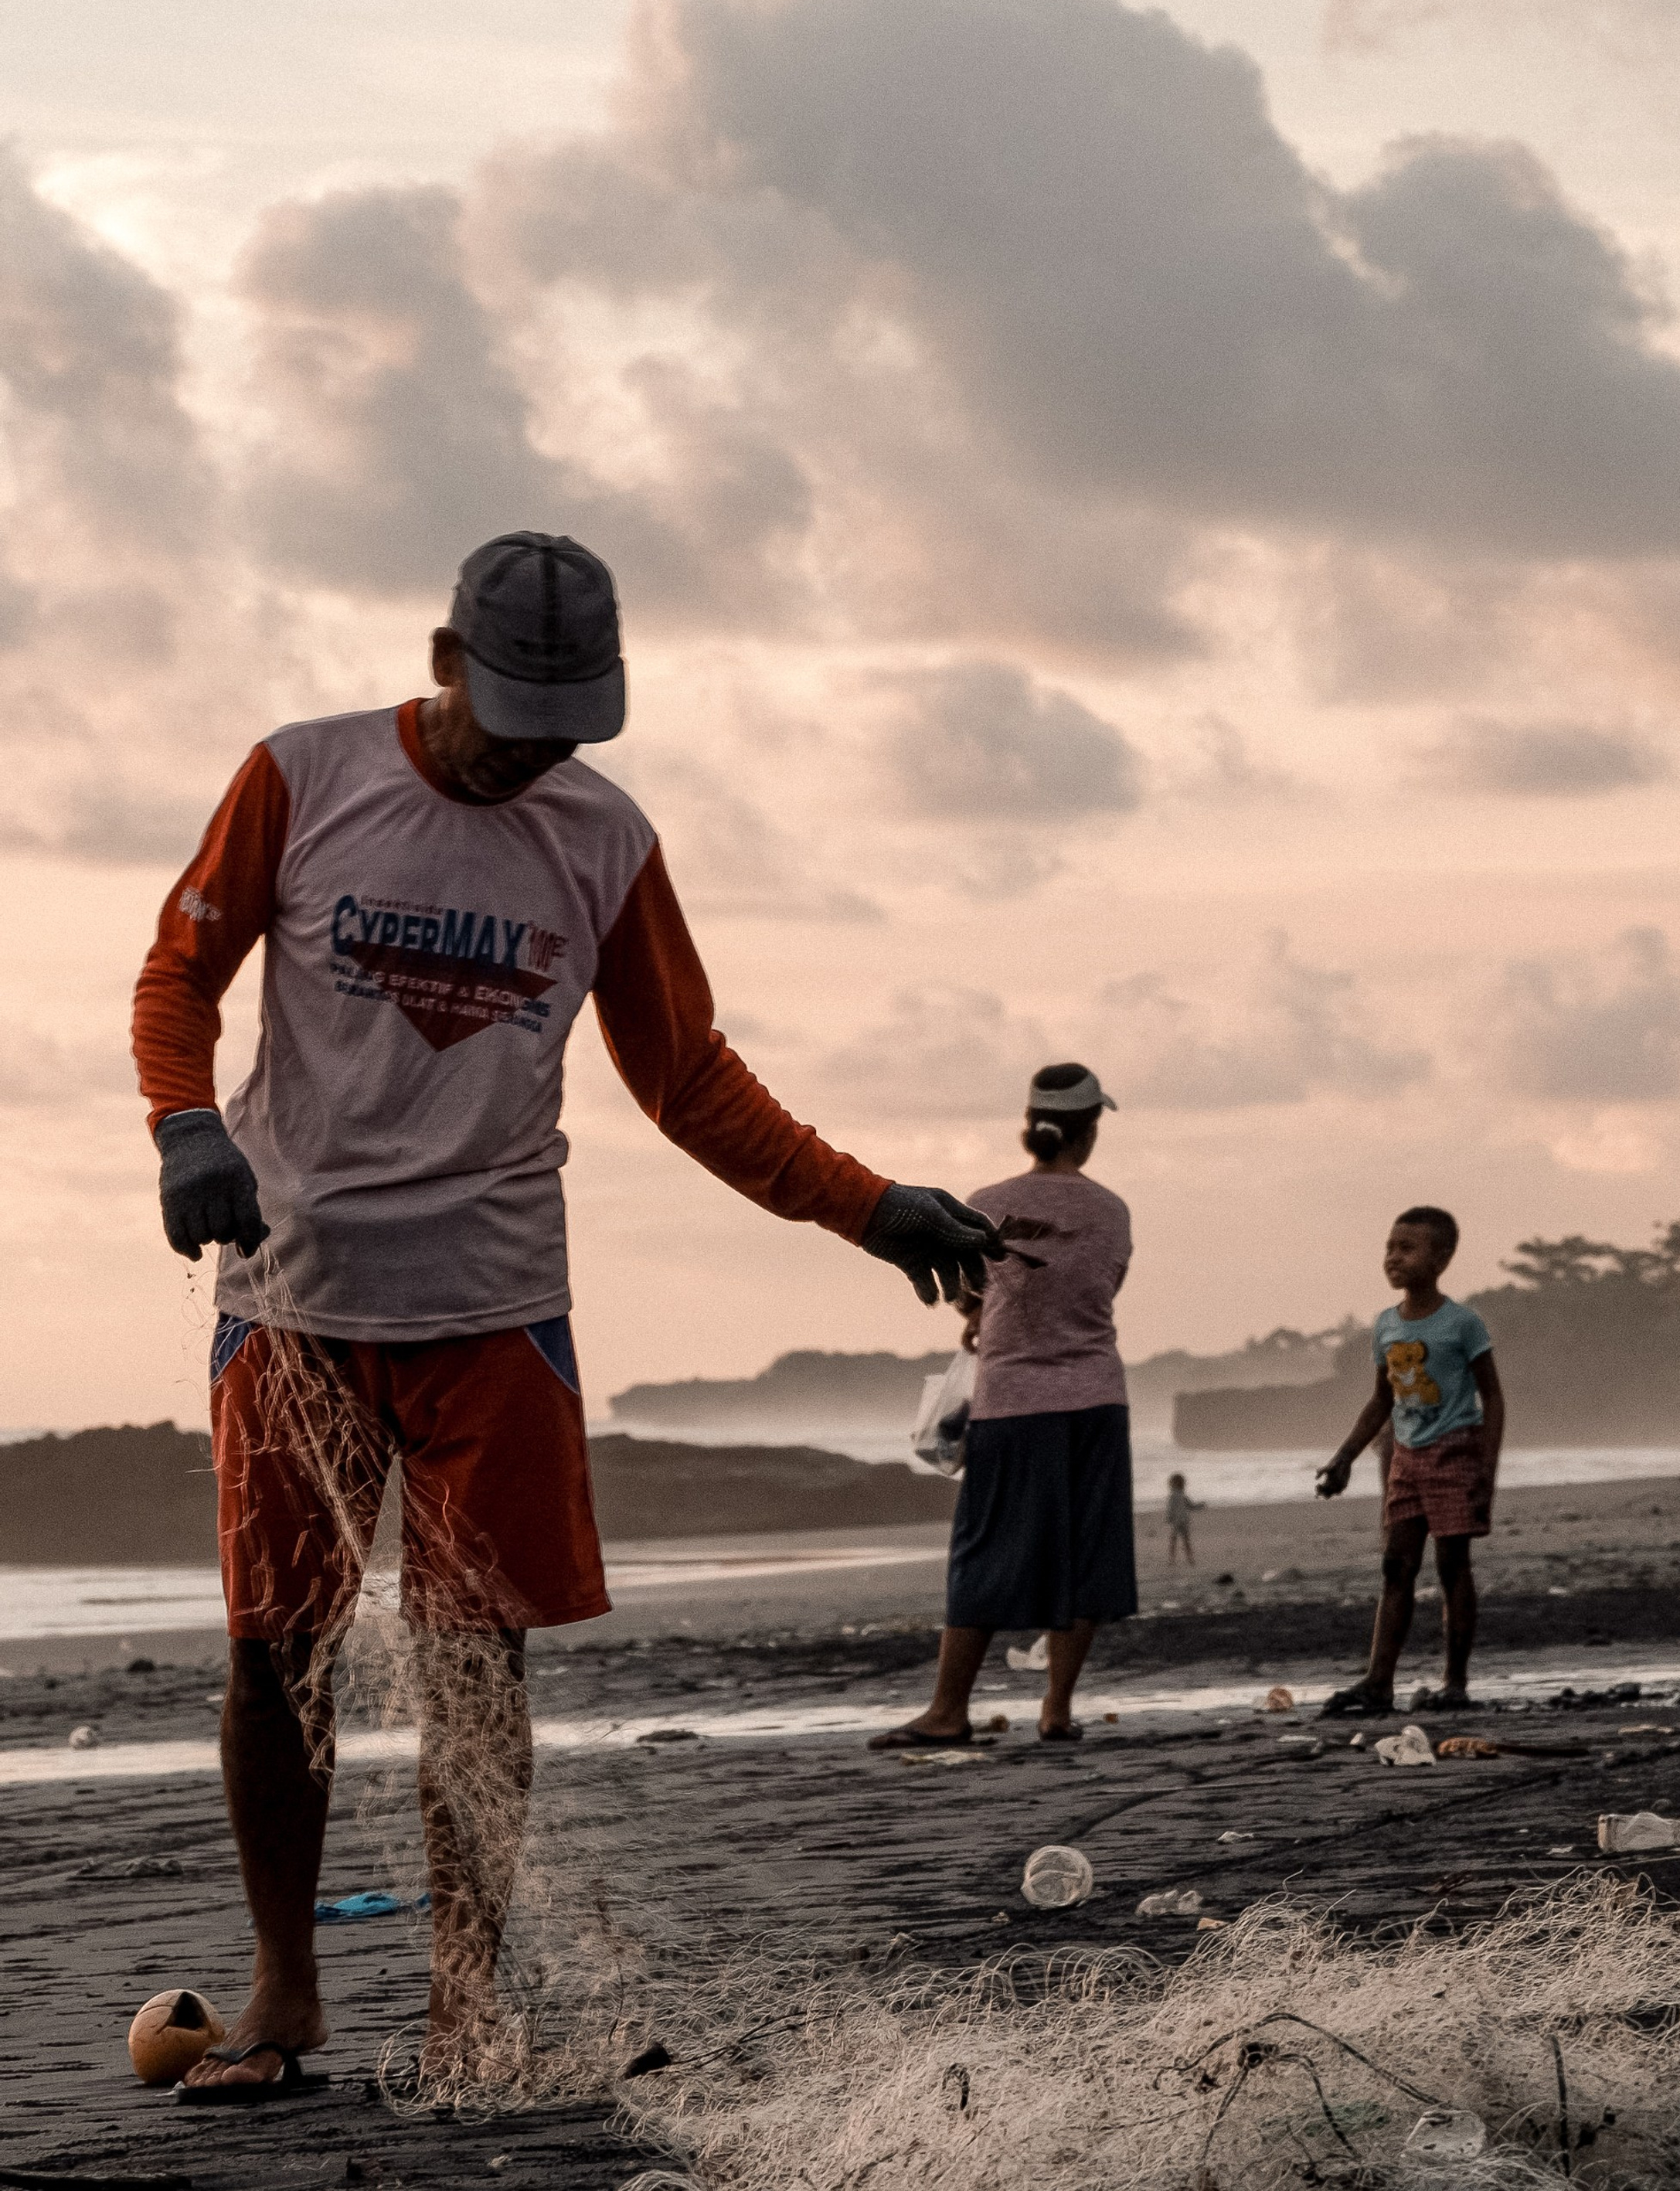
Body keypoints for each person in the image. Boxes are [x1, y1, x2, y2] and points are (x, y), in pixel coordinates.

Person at [131, 529, 1002, 2094]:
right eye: (510, 708)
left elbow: (685, 1077)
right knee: (279, 1657)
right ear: (441, 660)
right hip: (290, 1295)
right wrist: (186, 1125)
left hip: (495, 1306)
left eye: (566, 721)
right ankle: (284, 1993)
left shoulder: (602, 839)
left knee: (475, 1667)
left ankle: (469, 2006)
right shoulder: (302, 775)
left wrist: (870, 1210)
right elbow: (180, 974)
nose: (532, 747)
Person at [876, 1063, 1134, 1748]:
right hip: (1096, 1398)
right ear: (1090, 1129)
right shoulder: (1111, 1210)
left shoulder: (986, 1201)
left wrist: (980, 1313)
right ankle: (1056, 1710)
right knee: (1083, 1552)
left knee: (985, 1551)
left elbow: (968, 1288)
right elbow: (1100, 1290)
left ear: (1032, 1124)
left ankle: (949, 1710)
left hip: (1013, 1401)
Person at [1314, 1205, 1504, 1716]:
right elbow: (1382, 1400)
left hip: (1456, 1453)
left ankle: (1456, 1682)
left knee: (1451, 1566)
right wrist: (1345, 1458)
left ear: (1441, 1258)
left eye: (1407, 1248)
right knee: (1396, 1565)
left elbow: (1493, 1397)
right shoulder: (1385, 1326)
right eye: (1389, 1248)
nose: (1394, 1258)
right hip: (1405, 1456)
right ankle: (1379, 1682)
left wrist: (1487, 1470)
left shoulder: (1462, 1324)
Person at [1165, 1471, 1205, 1566]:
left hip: (1177, 1521)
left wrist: (1169, 1517)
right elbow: (1191, 1506)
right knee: (1186, 1540)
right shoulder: (1183, 1495)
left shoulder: (1173, 1496)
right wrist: (1200, 1506)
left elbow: (1170, 1508)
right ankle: (1190, 1559)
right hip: (1184, 1520)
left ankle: (1172, 1560)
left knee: (1174, 1540)